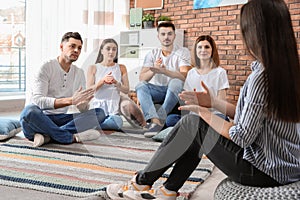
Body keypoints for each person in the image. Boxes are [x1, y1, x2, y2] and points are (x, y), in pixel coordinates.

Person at [106, 0, 300, 199]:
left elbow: (242, 137)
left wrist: (204, 113)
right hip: (286, 166)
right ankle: (168, 190)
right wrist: (213, 103)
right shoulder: (289, 71)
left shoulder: (260, 78)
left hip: (262, 171)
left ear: (255, 33)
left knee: (192, 123)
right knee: (195, 128)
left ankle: (141, 182)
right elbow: (252, 117)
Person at [20, 32, 106, 147]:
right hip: (40, 117)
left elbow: (81, 107)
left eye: (79, 48)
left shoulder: (79, 73)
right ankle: (69, 137)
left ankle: (49, 136)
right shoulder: (46, 67)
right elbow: (38, 101)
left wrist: (83, 104)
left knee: (99, 113)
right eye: (72, 46)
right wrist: (71, 101)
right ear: (61, 47)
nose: (76, 50)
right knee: (29, 111)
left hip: (61, 118)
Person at [135, 22, 191, 135]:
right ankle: (155, 122)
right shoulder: (152, 53)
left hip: (176, 91)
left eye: (170, 34)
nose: (166, 37)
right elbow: (142, 78)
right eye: (163, 34)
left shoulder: (182, 52)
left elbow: (185, 76)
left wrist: (165, 71)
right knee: (140, 86)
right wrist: (154, 69)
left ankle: (160, 118)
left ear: (174, 35)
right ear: (158, 36)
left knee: (175, 82)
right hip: (159, 91)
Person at [87, 38, 146, 130]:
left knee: (117, 122)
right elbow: (89, 90)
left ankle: (96, 126)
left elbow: (126, 90)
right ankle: (96, 123)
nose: (111, 52)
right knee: (97, 118)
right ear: (102, 51)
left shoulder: (121, 68)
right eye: (108, 48)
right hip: (97, 108)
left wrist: (116, 83)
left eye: (114, 49)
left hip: (113, 108)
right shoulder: (93, 67)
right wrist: (102, 81)